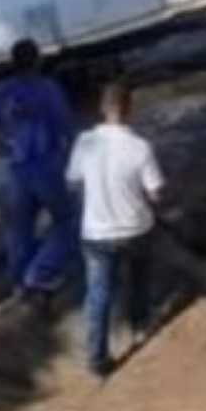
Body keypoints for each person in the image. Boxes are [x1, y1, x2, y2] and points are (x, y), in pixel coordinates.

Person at [66, 82, 166, 378]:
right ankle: (140, 326)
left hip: (97, 233)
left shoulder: (85, 142)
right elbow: (157, 191)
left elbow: (72, 182)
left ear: (102, 108)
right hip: (136, 228)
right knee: (139, 278)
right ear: (129, 110)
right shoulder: (140, 147)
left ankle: (97, 361)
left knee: (99, 294)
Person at [0, 38, 78, 301]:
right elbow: (67, 127)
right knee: (67, 221)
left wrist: (2, 133)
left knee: (20, 226)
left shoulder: (3, 91)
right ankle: (39, 273)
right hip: (47, 164)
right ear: (37, 61)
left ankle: (18, 278)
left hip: (18, 165)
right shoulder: (48, 89)